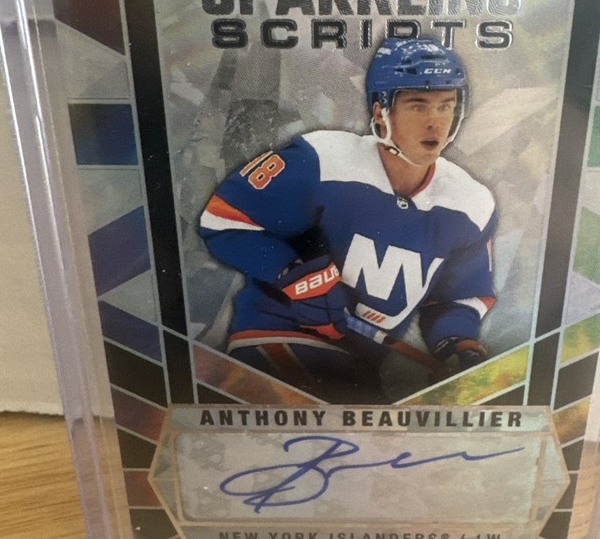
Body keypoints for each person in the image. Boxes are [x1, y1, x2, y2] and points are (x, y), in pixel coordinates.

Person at [199, 37, 497, 402]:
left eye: (446, 106)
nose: (435, 122)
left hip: (359, 366)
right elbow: (224, 220)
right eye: (418, 106)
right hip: (275, 334)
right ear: (380, 110)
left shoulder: (472, 203)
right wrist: (292, 272)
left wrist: (458, 343)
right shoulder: (321, 159)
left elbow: (457, 296)